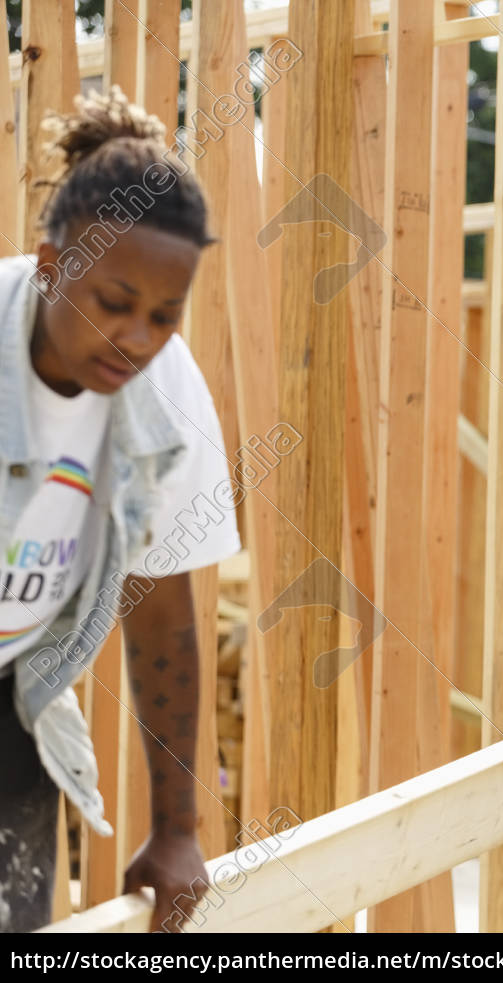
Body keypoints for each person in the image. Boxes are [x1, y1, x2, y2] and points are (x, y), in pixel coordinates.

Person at [0, 88, 240, 932]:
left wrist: (178, 829)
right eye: (114, 303)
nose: (136, 338)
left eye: (163, 316)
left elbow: (162, 607)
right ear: (52, 265)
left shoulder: (163, 404)